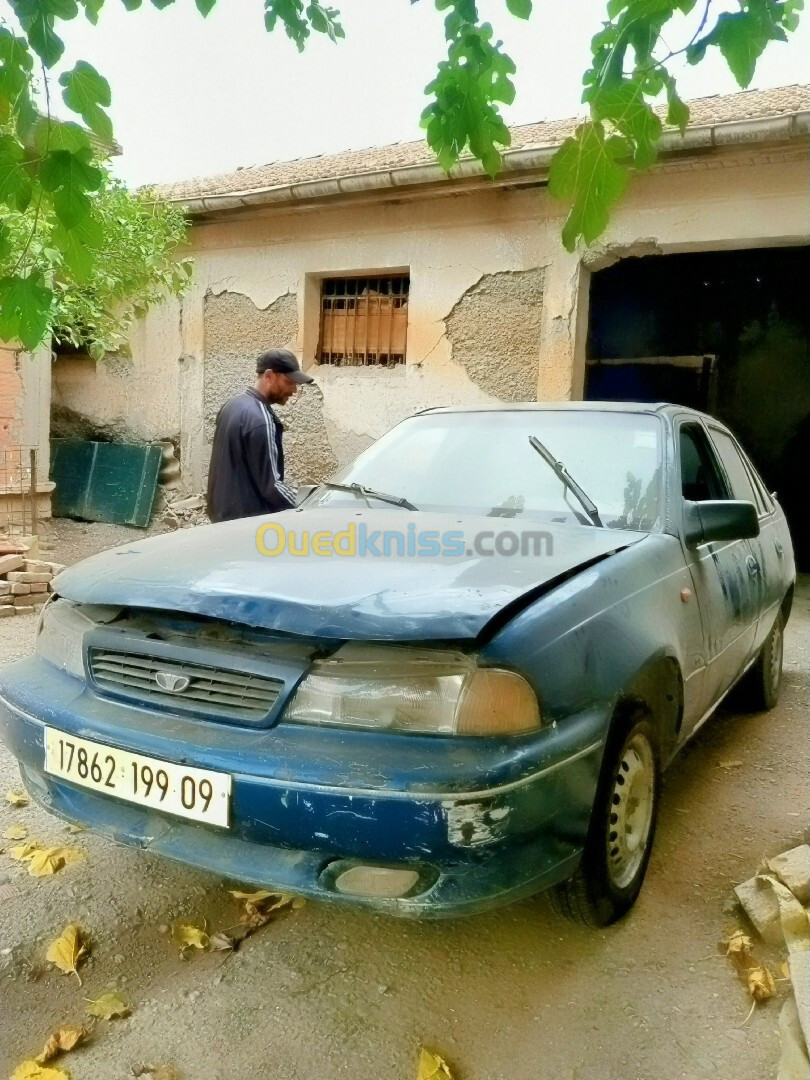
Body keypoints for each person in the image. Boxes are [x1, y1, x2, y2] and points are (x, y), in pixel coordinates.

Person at [207, 348, 314, 523]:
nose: (294, 390)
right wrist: (306, 505)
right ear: (270, 375)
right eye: (289, 382)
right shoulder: (261, 419)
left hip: (221, 518)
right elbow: (272, 487)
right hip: (248, 523)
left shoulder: (232, 405)